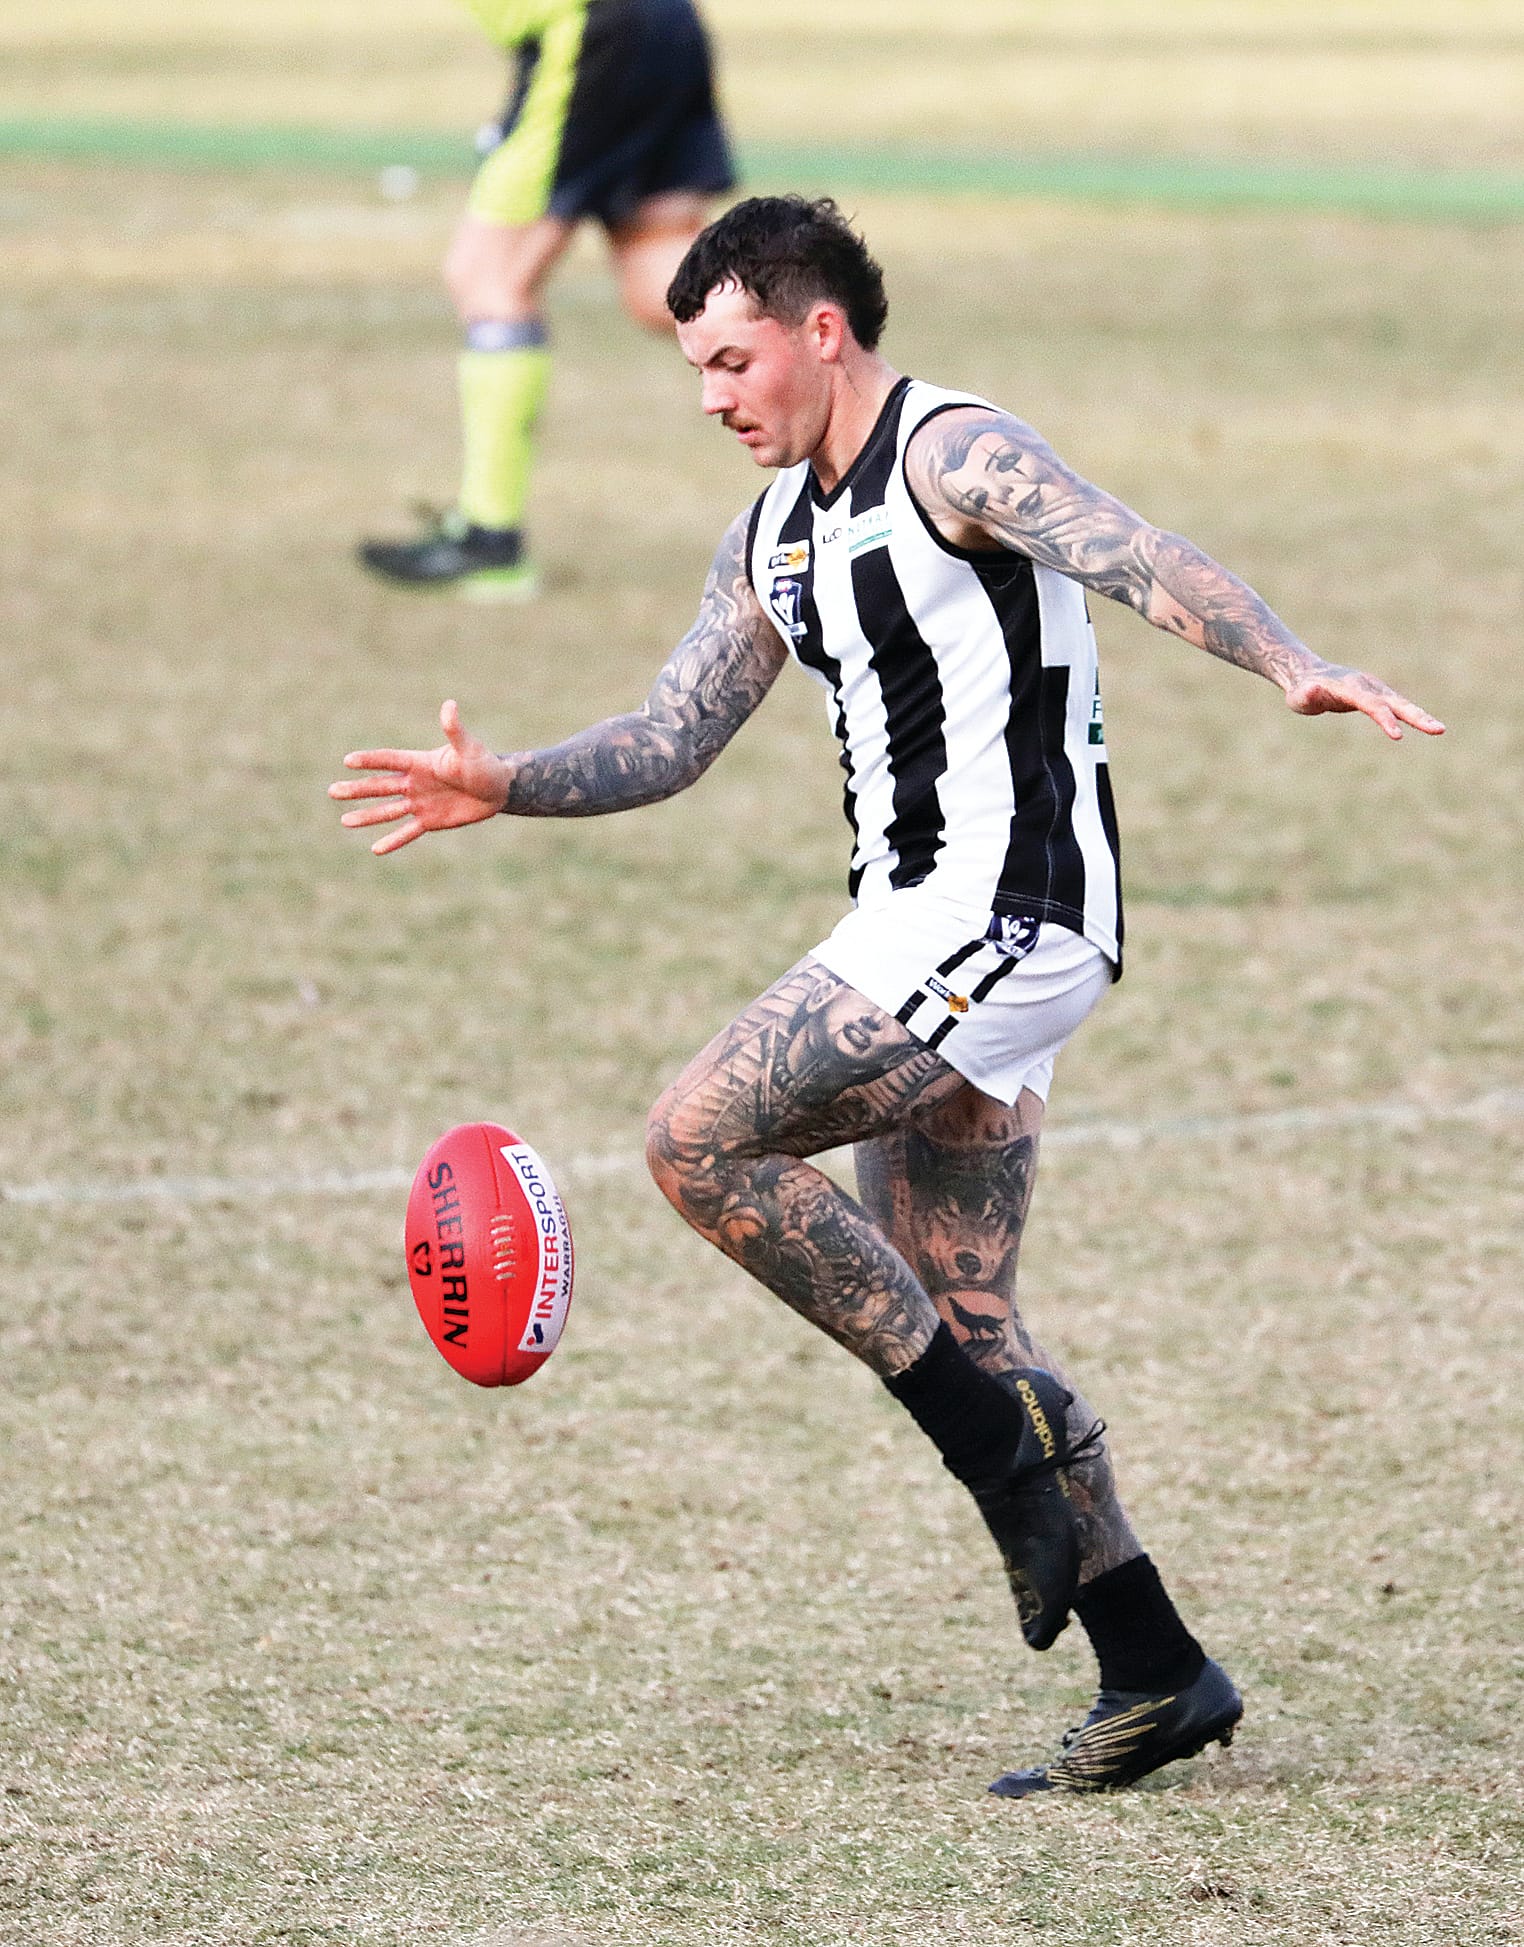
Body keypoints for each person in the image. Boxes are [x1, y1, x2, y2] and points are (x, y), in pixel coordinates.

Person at [331, 196, 1444, 1795]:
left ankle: (1001, 1466)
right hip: (904, 925)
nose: (711, 393)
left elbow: (1132, 551)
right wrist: (502, 782)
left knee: (695, 1139)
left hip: (1012, 913)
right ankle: (1159, 1667)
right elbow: (670, 735)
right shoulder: (772, 532)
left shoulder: (955, 454)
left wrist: (1285, 659)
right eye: (696, 367)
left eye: (728, 359)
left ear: (819, 330)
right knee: (971, 1313)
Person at [358, 0, 735, 600]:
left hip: (587, 31)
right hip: (663, 21)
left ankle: (490, 538)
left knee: (488, 278)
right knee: (668, 290)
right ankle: (837, 374)